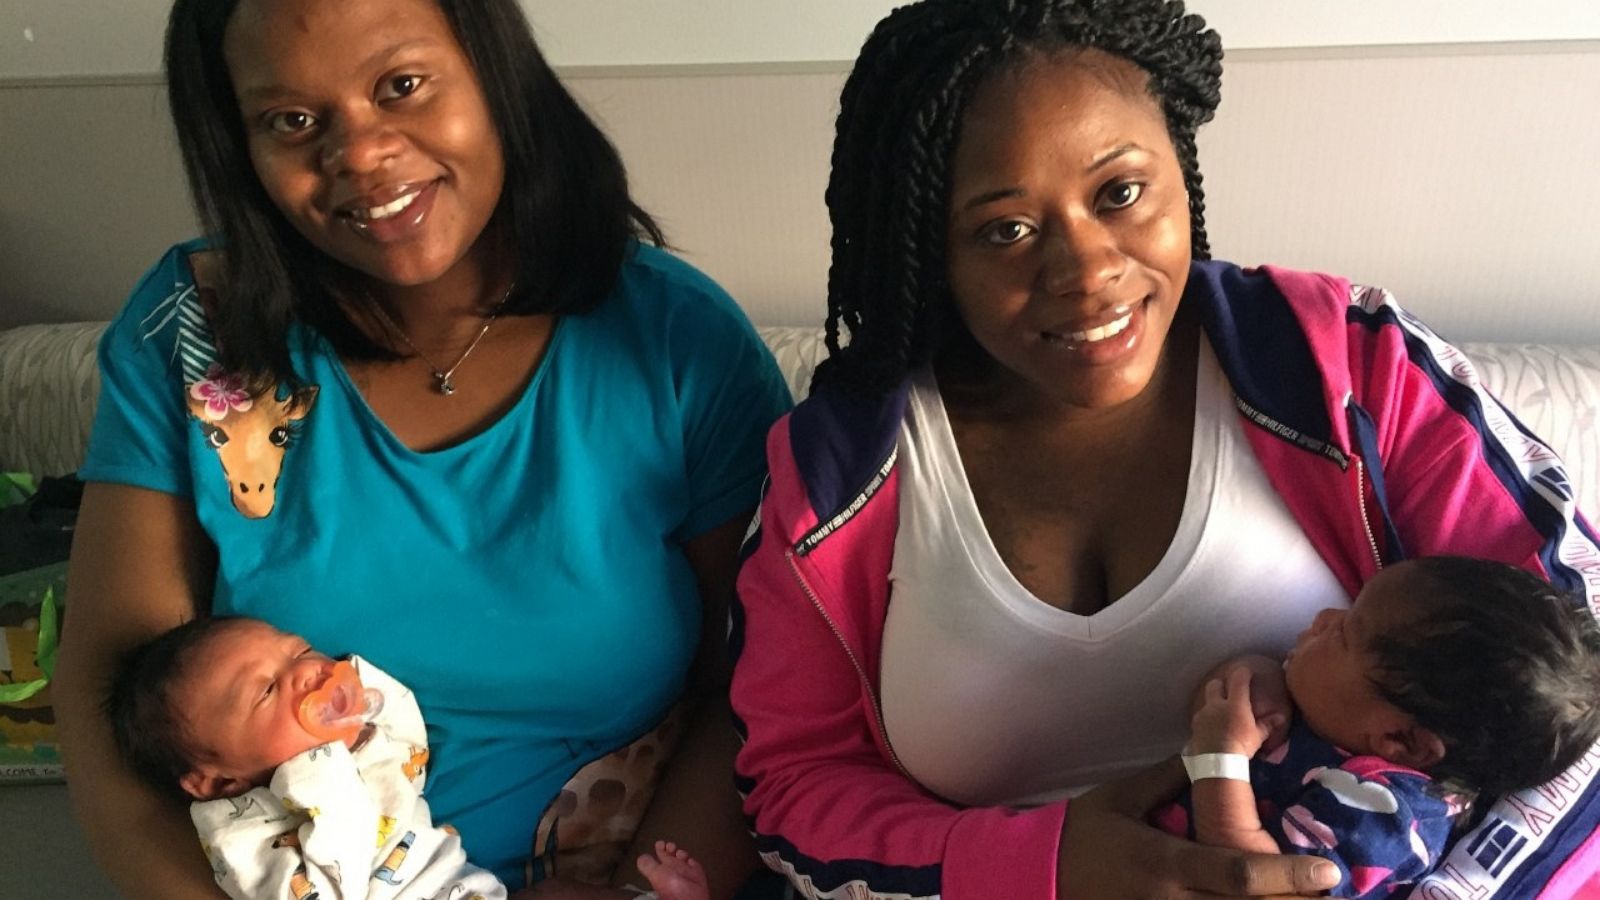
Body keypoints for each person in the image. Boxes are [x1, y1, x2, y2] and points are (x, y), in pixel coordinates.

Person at [727, 1, 1600, 898]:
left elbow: (1580, 676)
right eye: (1006, 230)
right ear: (930, 248)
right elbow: (795, 784)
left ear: (1180, 170)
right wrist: (1047, 865)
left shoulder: (1339, 362)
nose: (1085, 270)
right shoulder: (836, 470)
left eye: (1120, 193)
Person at [52, 0, 791, 898]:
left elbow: (766, 697)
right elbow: (110, 711)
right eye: (291, 121)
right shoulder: (192, 335)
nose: (359, 155)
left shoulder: (678, 343)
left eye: (401, 85)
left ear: (495, 78)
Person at [106, 616, 714, 900]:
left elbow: (398, 722)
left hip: (471, 889)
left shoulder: (355, 754)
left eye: (300, 652)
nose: (306, 675)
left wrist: (344, 710)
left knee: (562, 894)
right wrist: (316, 769)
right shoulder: (245, 836)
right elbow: (328, 878)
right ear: (214, 780)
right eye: (267, 690)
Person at [1158, 557, 1600, 898]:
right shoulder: (1339, 719)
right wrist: (1258, 680)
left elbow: (1245, 879)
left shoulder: (1385, 818)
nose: (1325, 617)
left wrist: (1220, 759)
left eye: (1346, 632)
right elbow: (1212, 705)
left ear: (1400, 740)